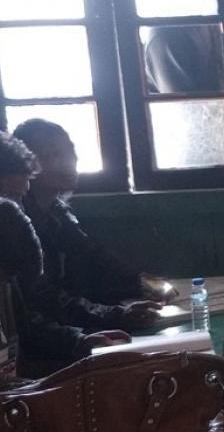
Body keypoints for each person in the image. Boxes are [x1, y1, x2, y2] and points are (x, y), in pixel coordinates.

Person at [12, 120, 169, 333]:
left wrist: (144, 283)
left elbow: (96, 260)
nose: (70, 160)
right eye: (54, 153)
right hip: (39, 343)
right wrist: (115, 315)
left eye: (71, 150)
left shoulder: (57, 212)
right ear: (25, 163)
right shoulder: (15, 224)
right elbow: (44, 297)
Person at [0, 133, 129, 380]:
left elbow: (26, 325)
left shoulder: (12, 251)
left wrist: (78, 340)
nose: (18, 209)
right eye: (8, 198)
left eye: (20, 198)